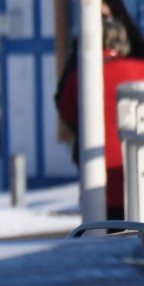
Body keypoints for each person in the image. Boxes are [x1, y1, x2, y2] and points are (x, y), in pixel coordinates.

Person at [55, 4, 144, 219]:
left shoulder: (79, 75)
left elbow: (66, 110)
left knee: (102, 235)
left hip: (96, 177)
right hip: (136, 175)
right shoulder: (138, 68)